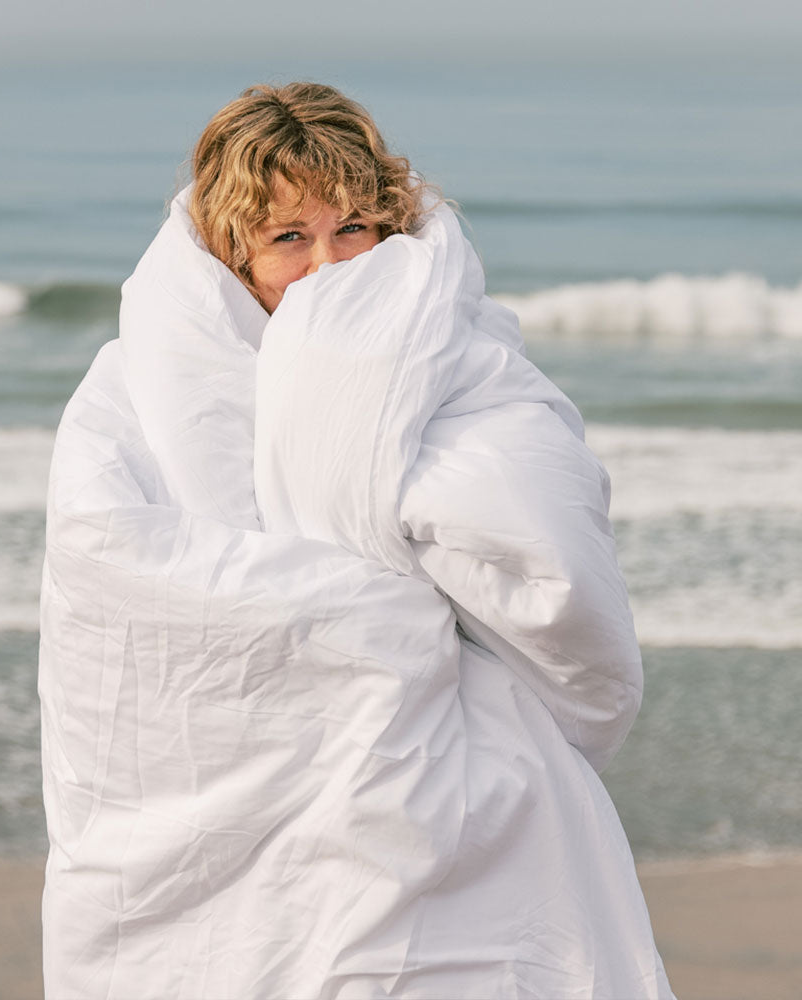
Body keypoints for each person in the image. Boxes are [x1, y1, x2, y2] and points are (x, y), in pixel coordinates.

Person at [39, 82, 675, 999]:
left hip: (450, 758)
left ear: (393, 226)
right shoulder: (133, 385)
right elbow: (110, 567)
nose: (330, 265)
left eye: (354, 229)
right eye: (288, 238)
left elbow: (547, 546)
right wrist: (379, 613)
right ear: (230, 250)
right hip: (226, 779)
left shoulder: (455, 352)